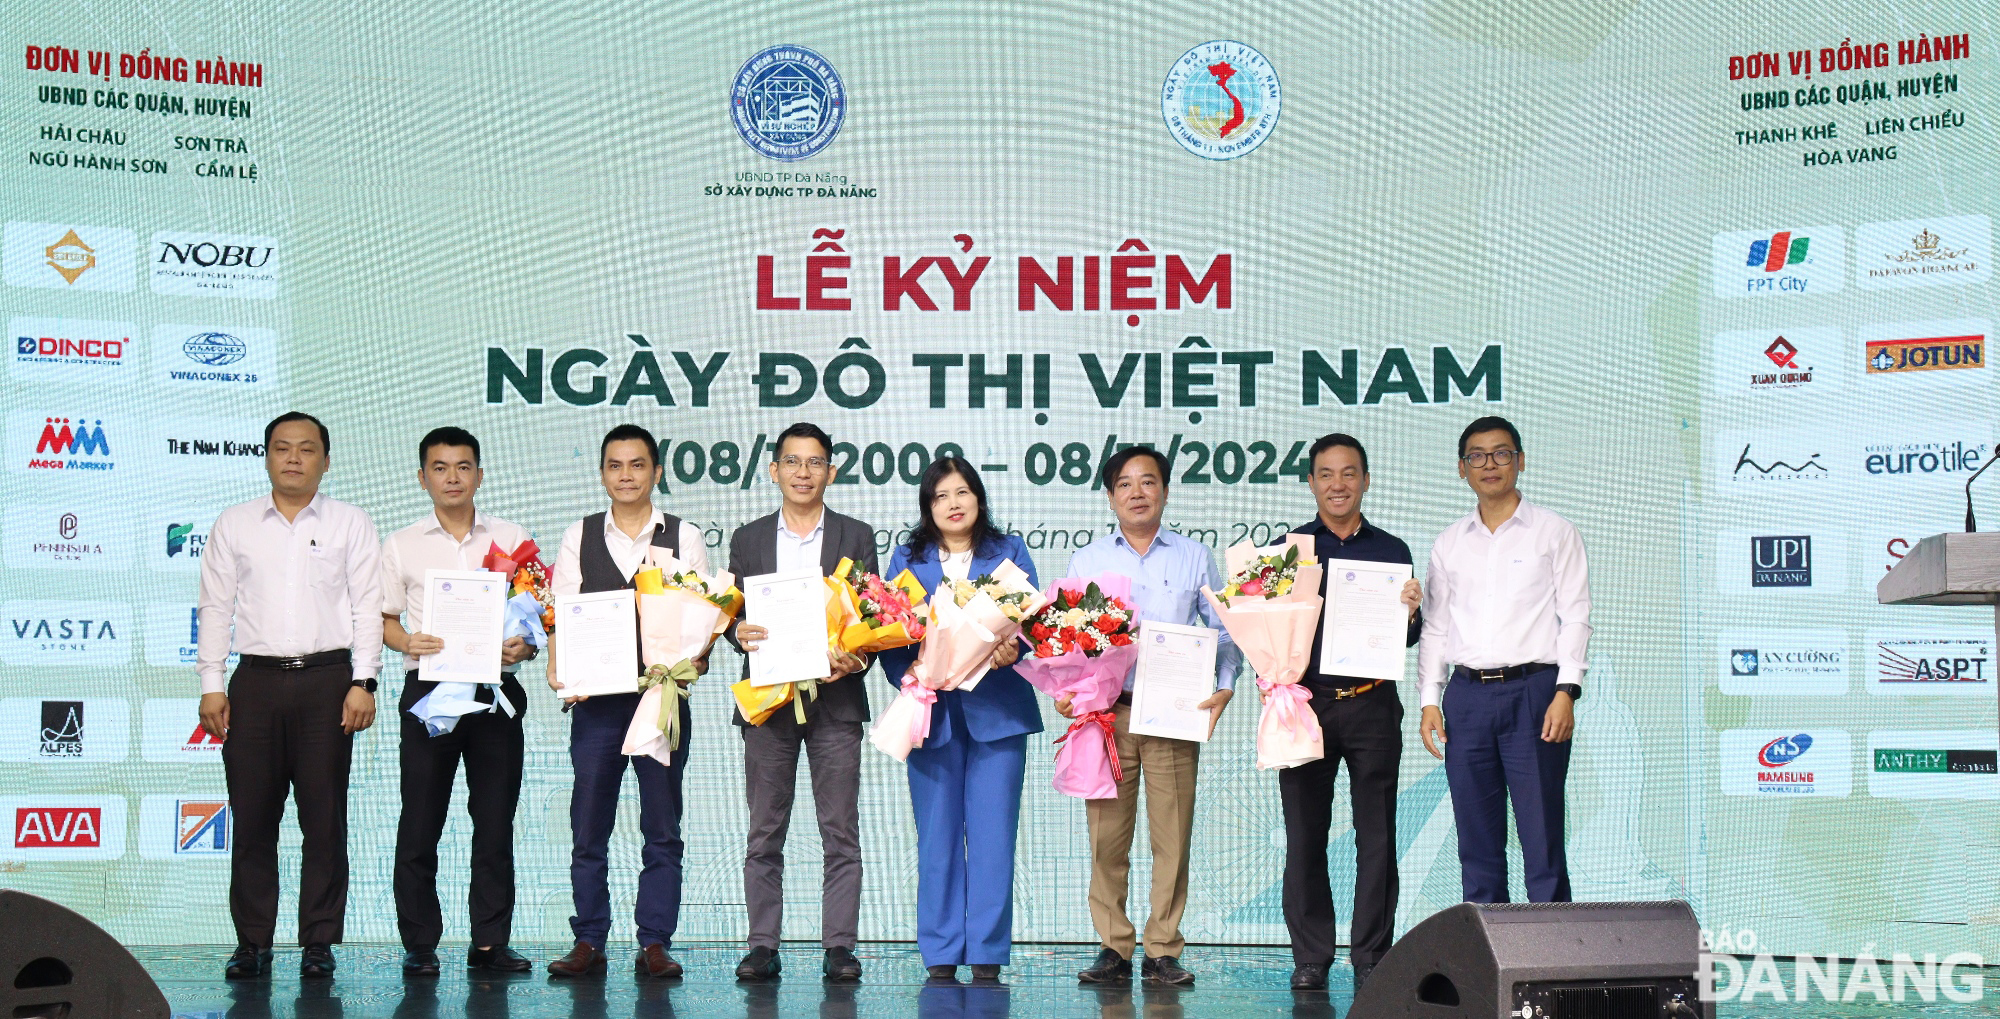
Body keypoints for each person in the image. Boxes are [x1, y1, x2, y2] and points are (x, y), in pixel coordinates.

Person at [196, 412, 383, 981]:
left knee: (324, 819)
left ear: (326, 460)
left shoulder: (351, 523)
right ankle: (252, 942)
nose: (294, 458)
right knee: (253, 820)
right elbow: (215, 608)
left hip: (329, 682)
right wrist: (211, 683)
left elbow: (366, 607)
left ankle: (319, 944)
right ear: (268, 457)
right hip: (253, 683)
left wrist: (364, 680)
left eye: (307, 449)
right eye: (282, 448)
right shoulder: (234, 524)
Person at [1063, 446, 1240, 987]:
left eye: (1148, 482)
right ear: (1110, 495)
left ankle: (1163, 947)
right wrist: (1068, 689)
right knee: (1107, 839)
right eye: (1124, 484)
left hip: (1174, 715)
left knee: (1173, 836)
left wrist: (1225, 686)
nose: (1137, 492)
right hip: (1107, 717)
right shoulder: (1088, 561)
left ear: (1164, 489)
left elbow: (1225, 630)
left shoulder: (1193, 556)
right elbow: (1065, 638)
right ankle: (1113, 947)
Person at [543, 424, 711, 979]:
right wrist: (558, 663)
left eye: (637, 465)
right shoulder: (580, 535)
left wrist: (697, 655)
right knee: (589, 826)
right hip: (596, 705)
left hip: (660, 697)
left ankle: (655, 941)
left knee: (662, 825)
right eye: (615, 466)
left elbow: (700, 616)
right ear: (601, 474)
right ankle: (589, 938)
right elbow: (563, 617)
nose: (626, 475)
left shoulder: (683, 537)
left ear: (656, 471)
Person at [724, 422, 879, 983]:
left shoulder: (856, 535)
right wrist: (737, 631)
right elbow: (732, 619)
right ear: (774, 471)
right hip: (767, 702)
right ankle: (763, 944)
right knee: (765, 829)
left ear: (831, 472)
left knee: (840, 829)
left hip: (835, 702)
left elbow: (874, 616)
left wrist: (855, 658)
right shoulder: (748, 538)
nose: (803, 472)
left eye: (815, 463)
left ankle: (839, 946)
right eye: (793, 462)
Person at [379, 427, 537, 976]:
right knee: (421, 820)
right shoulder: (402, 544)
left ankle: (490, 941)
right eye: (440, 468)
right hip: (430, 693)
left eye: (463, 467)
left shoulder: (512, 539)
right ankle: (420, 943)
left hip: (495, 693)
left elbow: (534, 621)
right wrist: (406, 641)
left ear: (480, 474)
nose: (452, 477)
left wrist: (527, 644)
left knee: (494, 822)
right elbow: (384, 621)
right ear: (422, 477)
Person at [878, 459, 1041, 984]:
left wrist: (1016, 648)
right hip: (931, 715)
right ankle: (942, 951)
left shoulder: (1008, 553)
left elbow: (1032, 624)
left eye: (964, 492)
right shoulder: (908, 559)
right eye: (942, 495)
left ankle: (989, 952)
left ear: (979, 499)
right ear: (928, 506)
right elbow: (883, 629)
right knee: (937, 838)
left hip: (998, 715)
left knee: (994, 838)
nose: (954, 503)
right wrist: (912, 678)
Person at [1418, 416, 1591, 904]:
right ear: (1461, 468)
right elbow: (1435, 627)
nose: (1489, 464)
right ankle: (1488, 962)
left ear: (1520, 461)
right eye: (1477, 455)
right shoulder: (1449, 542)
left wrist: (1566, 690)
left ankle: (1553, 966)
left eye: (1501, 453)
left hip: (1535, 694)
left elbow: (1576, 616)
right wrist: (1431, 699)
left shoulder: (1555, 532)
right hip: (1466, 698)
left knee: (1541, 838)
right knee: (1476, 840)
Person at [1279, 434, 1422, 992]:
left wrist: (1411, 614)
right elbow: (1266, 630)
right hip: (1306, 706)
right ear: (1311, 482)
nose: (1337, 484)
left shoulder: (1391, 550)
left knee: (1377, 835)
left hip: (1371, 705)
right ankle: (1311, 956)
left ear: (1366, 479)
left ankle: (1372, 954)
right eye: (1325, 474)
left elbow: (1406, 639)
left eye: (1349, 473)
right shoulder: (1287, 552)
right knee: (1304, 836)